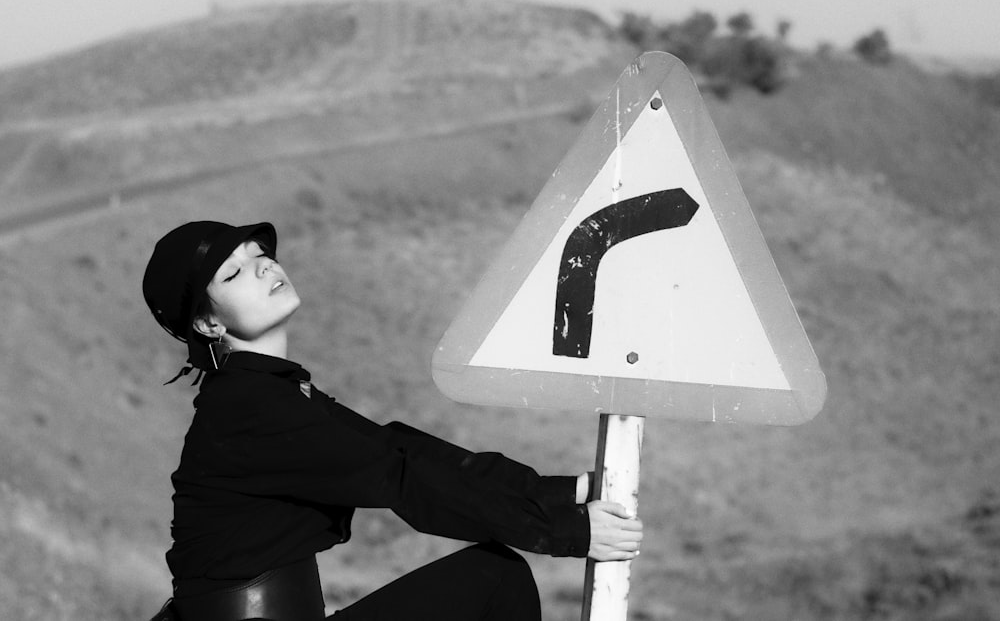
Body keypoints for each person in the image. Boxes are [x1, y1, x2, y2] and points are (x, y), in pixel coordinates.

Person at [143, 220, 643, 621]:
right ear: (208, 324)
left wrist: (557, 493)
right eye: (232, 274)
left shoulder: (269, 391)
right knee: (494, 580)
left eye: (258, 254)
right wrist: (566, 534)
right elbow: (400, 480)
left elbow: (399, 450)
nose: (261, 266)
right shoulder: (246, 407)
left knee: (494, 577)